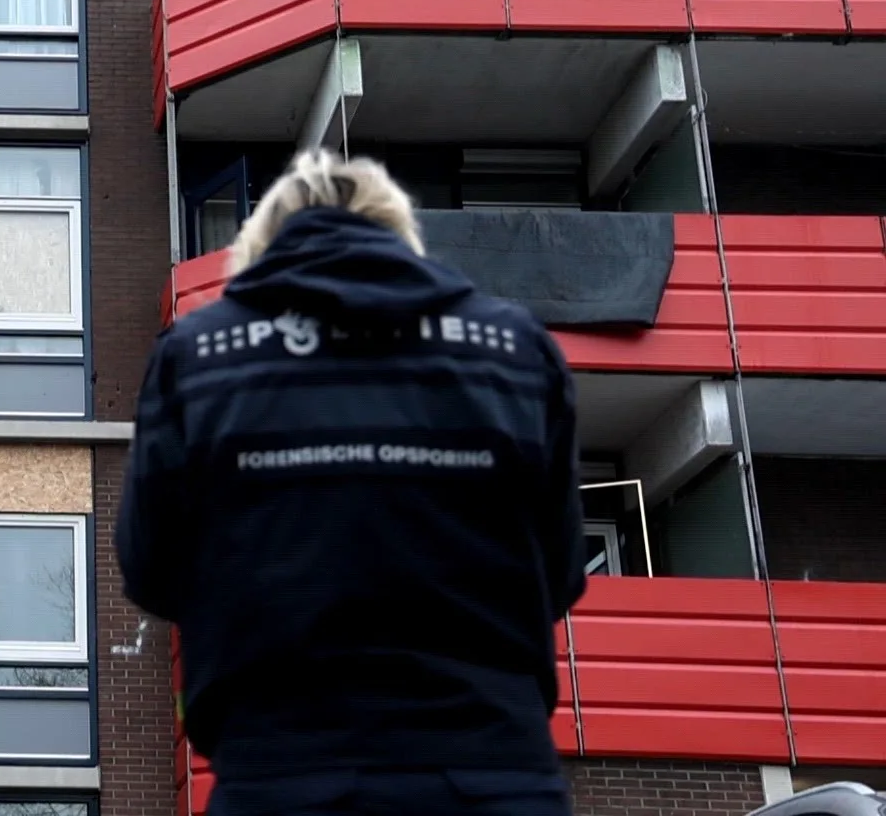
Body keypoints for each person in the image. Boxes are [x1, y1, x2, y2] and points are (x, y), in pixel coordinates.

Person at [118, 149, 587, 816]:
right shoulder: (514, 350)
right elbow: (562, 571)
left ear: (262, 249)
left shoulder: (197, 358)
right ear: (400, 240)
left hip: (276, 773)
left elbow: (149, 569)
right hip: (494, 771)